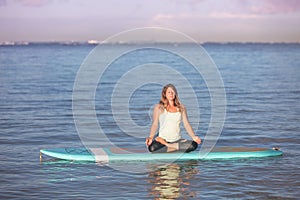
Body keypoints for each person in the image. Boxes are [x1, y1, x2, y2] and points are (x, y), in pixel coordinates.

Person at [146, 84, 201, 153]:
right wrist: (151, 137)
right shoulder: (159, 107)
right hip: (162, 138)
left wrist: (193, 136)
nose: (171, 94)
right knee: (152, 148)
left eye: (173, 92)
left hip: (176, 140)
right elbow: (155, 124)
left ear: (175, 94)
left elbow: (186, 124)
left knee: (193, 145)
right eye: (169, 92)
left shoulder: (181, 108)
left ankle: (167, 145)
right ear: (165, 94)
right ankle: (175, 147)